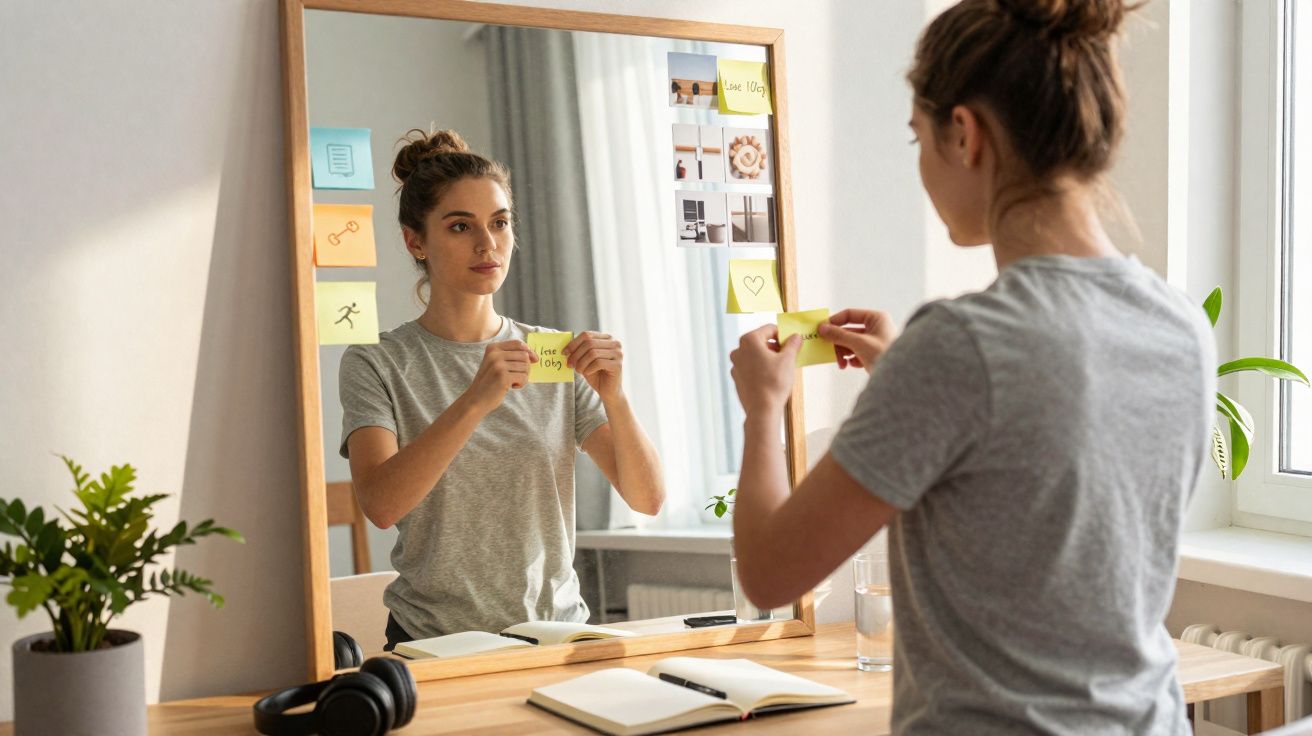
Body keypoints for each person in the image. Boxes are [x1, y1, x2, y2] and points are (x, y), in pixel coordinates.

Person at [728, 0, 1214, 733]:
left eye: (916, 137)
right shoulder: (1179, 324)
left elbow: (771, 573)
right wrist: (906, 378)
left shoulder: (958, 346)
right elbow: (1037, 481)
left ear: (964, 133)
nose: (920, 166)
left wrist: (764, 410)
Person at [339, 129, 664, 650]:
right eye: (460, 226)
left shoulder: (553, 356)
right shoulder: (376, 362)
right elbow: (381, 505)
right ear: (415, 241)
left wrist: (616, 399)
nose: (487, 243)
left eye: (500, 222)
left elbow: (647, 499)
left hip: (557, 635)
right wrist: (474, 402)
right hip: (435, 643)